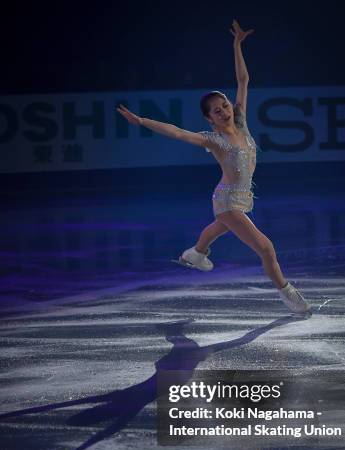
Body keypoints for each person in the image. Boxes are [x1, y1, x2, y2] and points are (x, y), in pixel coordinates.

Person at [117, 19, 310, 314]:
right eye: (216, 111)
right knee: (266, 248)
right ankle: (287, 293)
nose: (223, 111)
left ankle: (196, 253)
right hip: (228, 201)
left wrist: (236, 45)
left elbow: (243, 80)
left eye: (224, 105)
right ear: (209, 119)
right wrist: (142, 121)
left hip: (241, 197)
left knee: (218, 229)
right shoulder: (214, 140)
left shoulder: (242, 121)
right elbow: (178, 132)